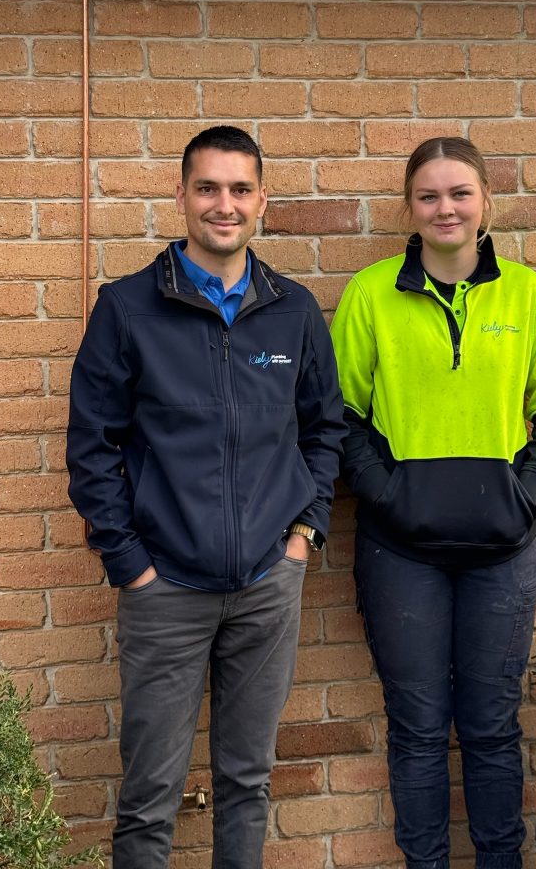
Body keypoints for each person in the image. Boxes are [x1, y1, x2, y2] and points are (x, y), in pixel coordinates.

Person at [66, 125, 346, 869]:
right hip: (165, 590)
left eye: (240, 189)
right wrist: (131, 566)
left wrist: (302, 538)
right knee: (149, 797)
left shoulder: (293, 310)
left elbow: (325, 430)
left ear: (263, 201)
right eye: (208, 188)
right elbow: (91, 448)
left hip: (266, 586)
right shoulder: (127, 309)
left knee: (247, 783)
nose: (225, 204)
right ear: (182, 196)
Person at [329, 136, 536, 869]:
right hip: (399, 552)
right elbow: (337, 415)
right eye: (430, 195)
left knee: (492, 729)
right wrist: (387, 494)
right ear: (409, 208)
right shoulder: (371, 293)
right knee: (416, 731)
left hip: (501, 551)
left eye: (460, 193)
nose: (446, 208)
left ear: (485, 203)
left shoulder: (527, 294)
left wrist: (524, 495)